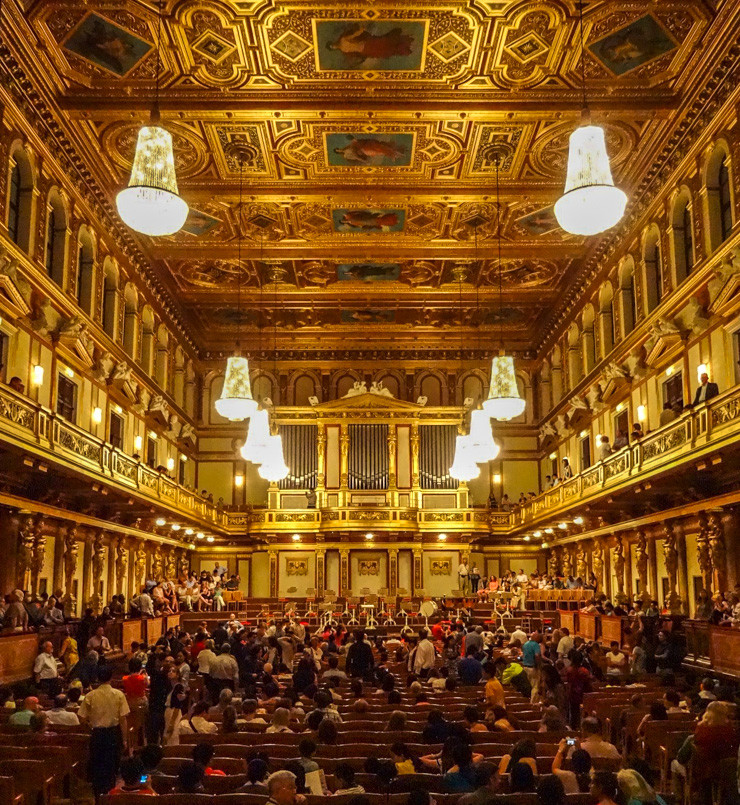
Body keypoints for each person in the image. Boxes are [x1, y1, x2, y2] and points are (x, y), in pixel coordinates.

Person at [78, 664, 130, 797]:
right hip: (113, 734)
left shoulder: (90, 695)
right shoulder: (118, 695)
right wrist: (124, 739)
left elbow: (82, 717)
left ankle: (98, 797)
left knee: (97, 766)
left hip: (97, 734)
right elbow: (123, 719)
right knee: (111, 768)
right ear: (111, 677)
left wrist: (91, 725)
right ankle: (109, 796)